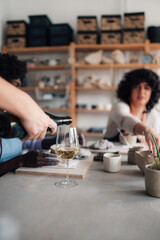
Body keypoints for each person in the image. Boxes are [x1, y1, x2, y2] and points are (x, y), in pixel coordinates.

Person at [104, 68, 160, 156]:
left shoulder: (153, 114)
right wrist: (146, 129)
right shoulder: (119, 106)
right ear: (129, 89)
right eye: (137, 86)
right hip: (110, 158)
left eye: (147, 88)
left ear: (152, 92)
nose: (141, 92)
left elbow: (156, 142)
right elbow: (124, 119)